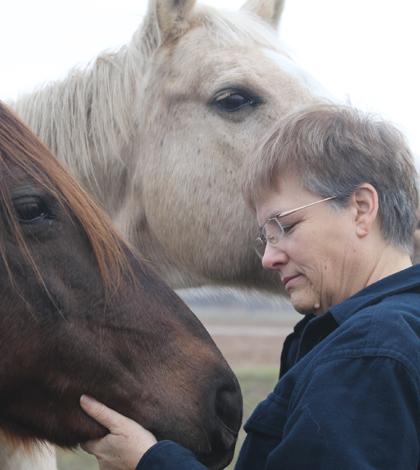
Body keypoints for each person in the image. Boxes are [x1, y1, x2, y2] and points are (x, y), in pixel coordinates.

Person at [79, 104, 420, 469]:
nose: (268, 258)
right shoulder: (397, 332)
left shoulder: (367, 356)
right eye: (265, 237)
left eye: (286, 226)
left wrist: (148, 462)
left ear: (361, 208)